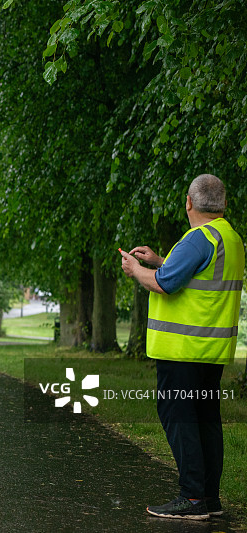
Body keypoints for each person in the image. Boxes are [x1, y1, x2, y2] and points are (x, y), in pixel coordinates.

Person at [120, 174, 242, 520]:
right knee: (205, 420)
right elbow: (192, 274)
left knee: (180, 418)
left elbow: (165, 284)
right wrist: (161, 261)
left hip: (183, 350)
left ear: (189, 203)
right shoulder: (229, 238)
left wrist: (137, 269)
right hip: (210, 350)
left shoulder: (197, 238)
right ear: (224, 204)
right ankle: (209, 499)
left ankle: (191, 499)